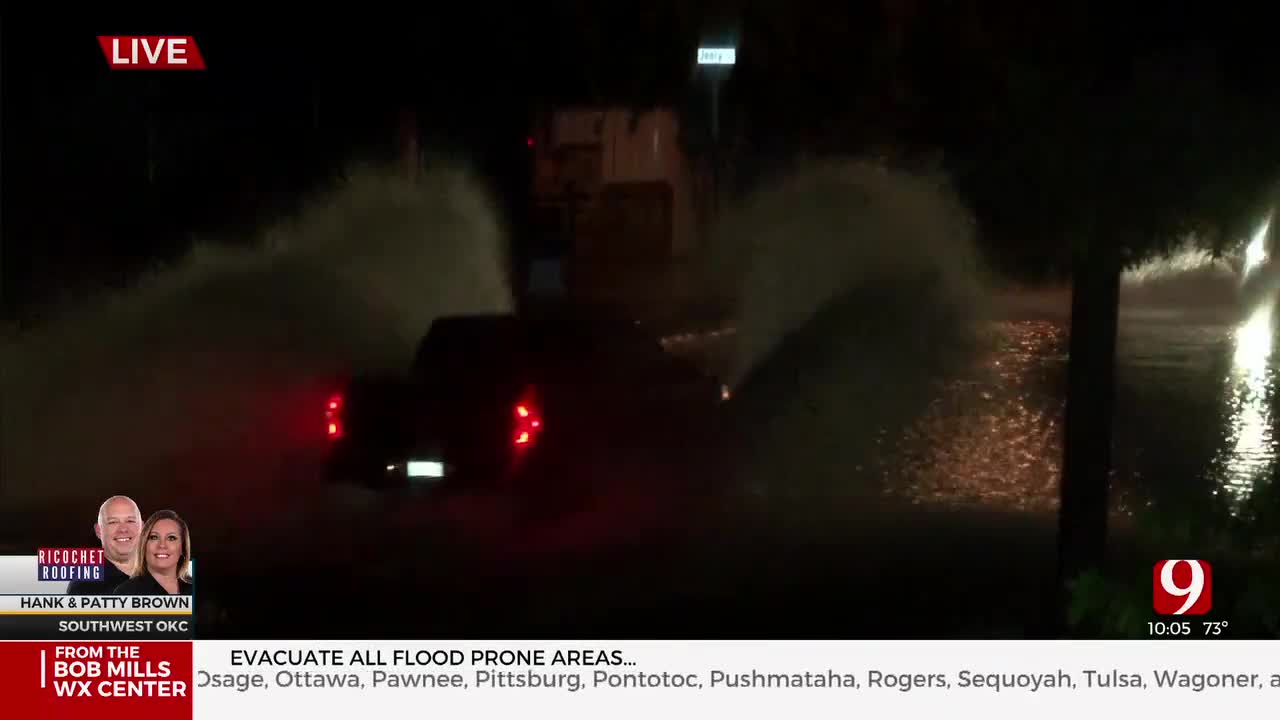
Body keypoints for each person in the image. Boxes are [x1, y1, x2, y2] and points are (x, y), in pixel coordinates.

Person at [67, 495, 142, 595]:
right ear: (99, 531)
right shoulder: (84, 586)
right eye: (113, 522)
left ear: (143, 528)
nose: (123, 529)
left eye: (130, 521)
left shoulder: (163, 576)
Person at [114, 510, 194, 596]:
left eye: (171, 538)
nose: (162, 545)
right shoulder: (126, 592)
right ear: (144, 545)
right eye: (154, 537)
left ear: (183, 547)